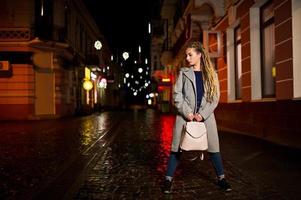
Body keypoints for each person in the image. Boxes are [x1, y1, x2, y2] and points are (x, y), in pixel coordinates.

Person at [162, 41, 232, 193]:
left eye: (190, 55)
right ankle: (168, 179)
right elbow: (177, 95)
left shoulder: (212, 75)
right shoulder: (184, 73)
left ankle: (222, 179)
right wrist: (187, 112)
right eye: (186, 55)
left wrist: (202, 114)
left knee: (214, 149)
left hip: (206, 118)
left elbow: (215, 98)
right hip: (184, 117)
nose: (187, 58)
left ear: (199, 55)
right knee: (176, 149)